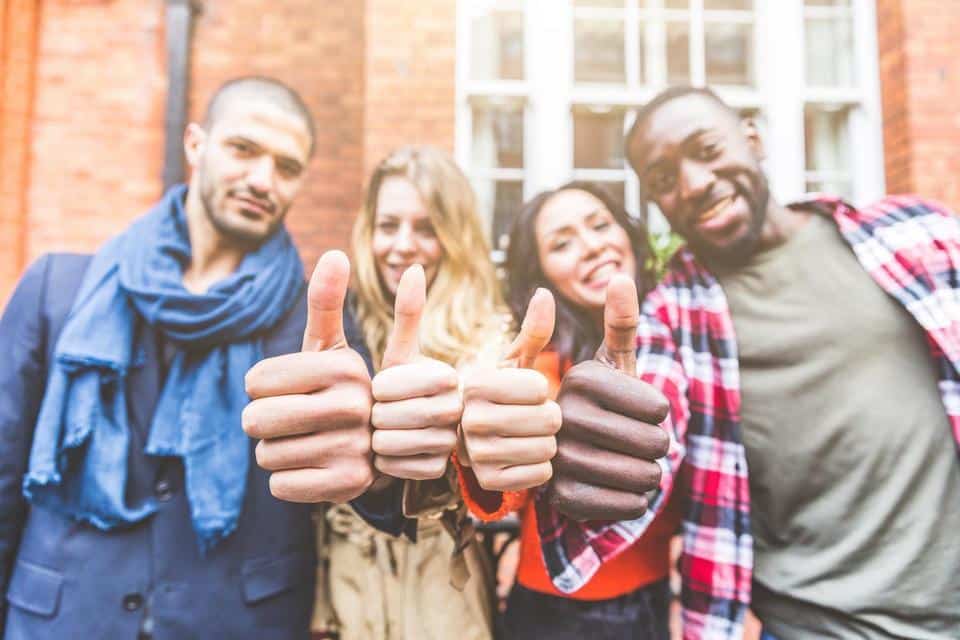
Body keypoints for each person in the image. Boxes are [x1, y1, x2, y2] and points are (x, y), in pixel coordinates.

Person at [536, 85, 960, 639]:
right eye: (664, 180)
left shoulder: (916, 234)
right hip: (814, 628)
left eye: (707, 150)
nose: (694, 183)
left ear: (753, 139)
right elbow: (638, 443)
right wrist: (588, 451)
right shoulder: (671, 319)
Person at [0, 76, 397, 639]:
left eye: (286, 167)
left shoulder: (316, 316)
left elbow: (365, 480)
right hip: (62, 619)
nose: (263, 180)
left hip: (237, 622)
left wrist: (380, 465)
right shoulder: (56, 288)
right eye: (243, 149)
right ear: (194, 145)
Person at [245, 146, 509, 640]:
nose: (402, 245)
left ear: (456, 235)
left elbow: (496, 486)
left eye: (426, 228)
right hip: (346, 574)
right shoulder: (340, 324)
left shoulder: (488, 333)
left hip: (442, 579)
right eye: (389, 226)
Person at [456, 182, 681, 639]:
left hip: (653, 595)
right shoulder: (539, 359)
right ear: (540, 272)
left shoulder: (687, 339)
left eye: (600, 225)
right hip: (553, 608)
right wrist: (491, 457)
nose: (592, 245)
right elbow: (511, 482)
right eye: (562, 243)